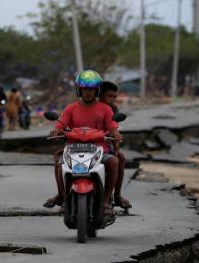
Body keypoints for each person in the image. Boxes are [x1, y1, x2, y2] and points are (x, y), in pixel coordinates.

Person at [43, 70, 122, 217]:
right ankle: (64, 198)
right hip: (73, 149)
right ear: (79, 89)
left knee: (114, 162)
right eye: (85, 89)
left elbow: (112, 126)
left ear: (97, 90)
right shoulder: (70, 108)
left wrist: (115, 133)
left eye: (92, 89)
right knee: (60, 163)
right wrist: (55, 130)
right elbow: (60, 124)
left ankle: (106, 201)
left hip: (100, 150)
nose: (88, 93)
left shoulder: (105, 109)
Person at [99, 81, 132, 209]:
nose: (112, 99)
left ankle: (116, 195)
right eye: (109, 96)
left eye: (114, 97)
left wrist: (116, 148)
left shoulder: (113, 109)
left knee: (120, 159)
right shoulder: (90, 106)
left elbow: (114, 131)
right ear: (100, 95)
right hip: (86, 144)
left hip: (106, 145)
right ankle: (64, 198)